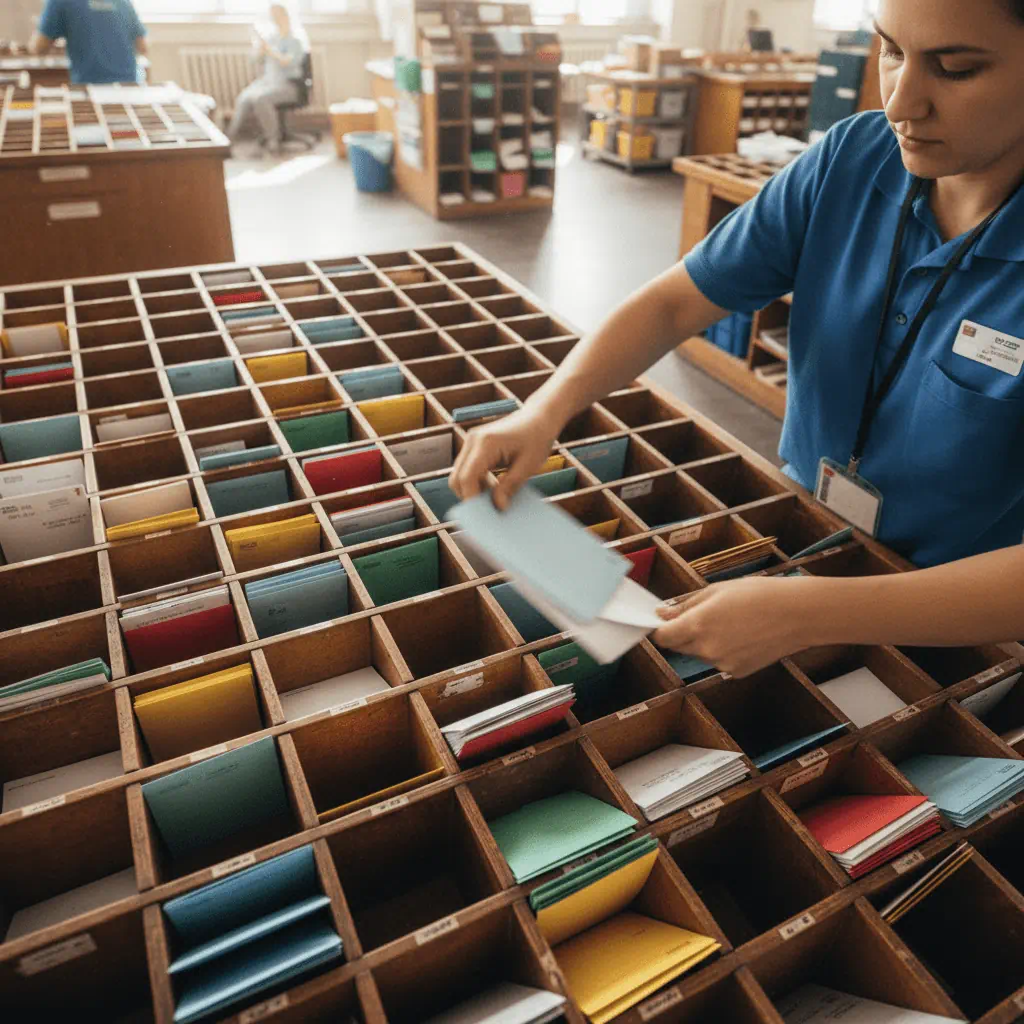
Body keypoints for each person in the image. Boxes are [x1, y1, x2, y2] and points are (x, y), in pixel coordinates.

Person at [450, 0, 1024, 680]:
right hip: (806, 528)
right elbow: (671, 304)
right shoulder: (852, 158)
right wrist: (546, 408)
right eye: (890, 49)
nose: (901, 102)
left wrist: (815, 614)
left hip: (955, 618)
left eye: (955, 68)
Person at [227, 3, 306, 156]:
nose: (275, 20)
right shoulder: (271, 38)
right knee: (244, 97)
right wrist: (260, 50)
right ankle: (229, 138)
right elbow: (254, 60)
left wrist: (270, 51)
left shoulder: (295, 40)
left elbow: (287, 61)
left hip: (289, 84)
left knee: (261, 99)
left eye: (278, 16)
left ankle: (273, 139)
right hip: (268, 82)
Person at [31, 0, 146, 85]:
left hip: (88, 88)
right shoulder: (124, 2)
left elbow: (38, 48)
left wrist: (42, 24)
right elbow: (143, 46)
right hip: (129, 86)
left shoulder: (59, 2)